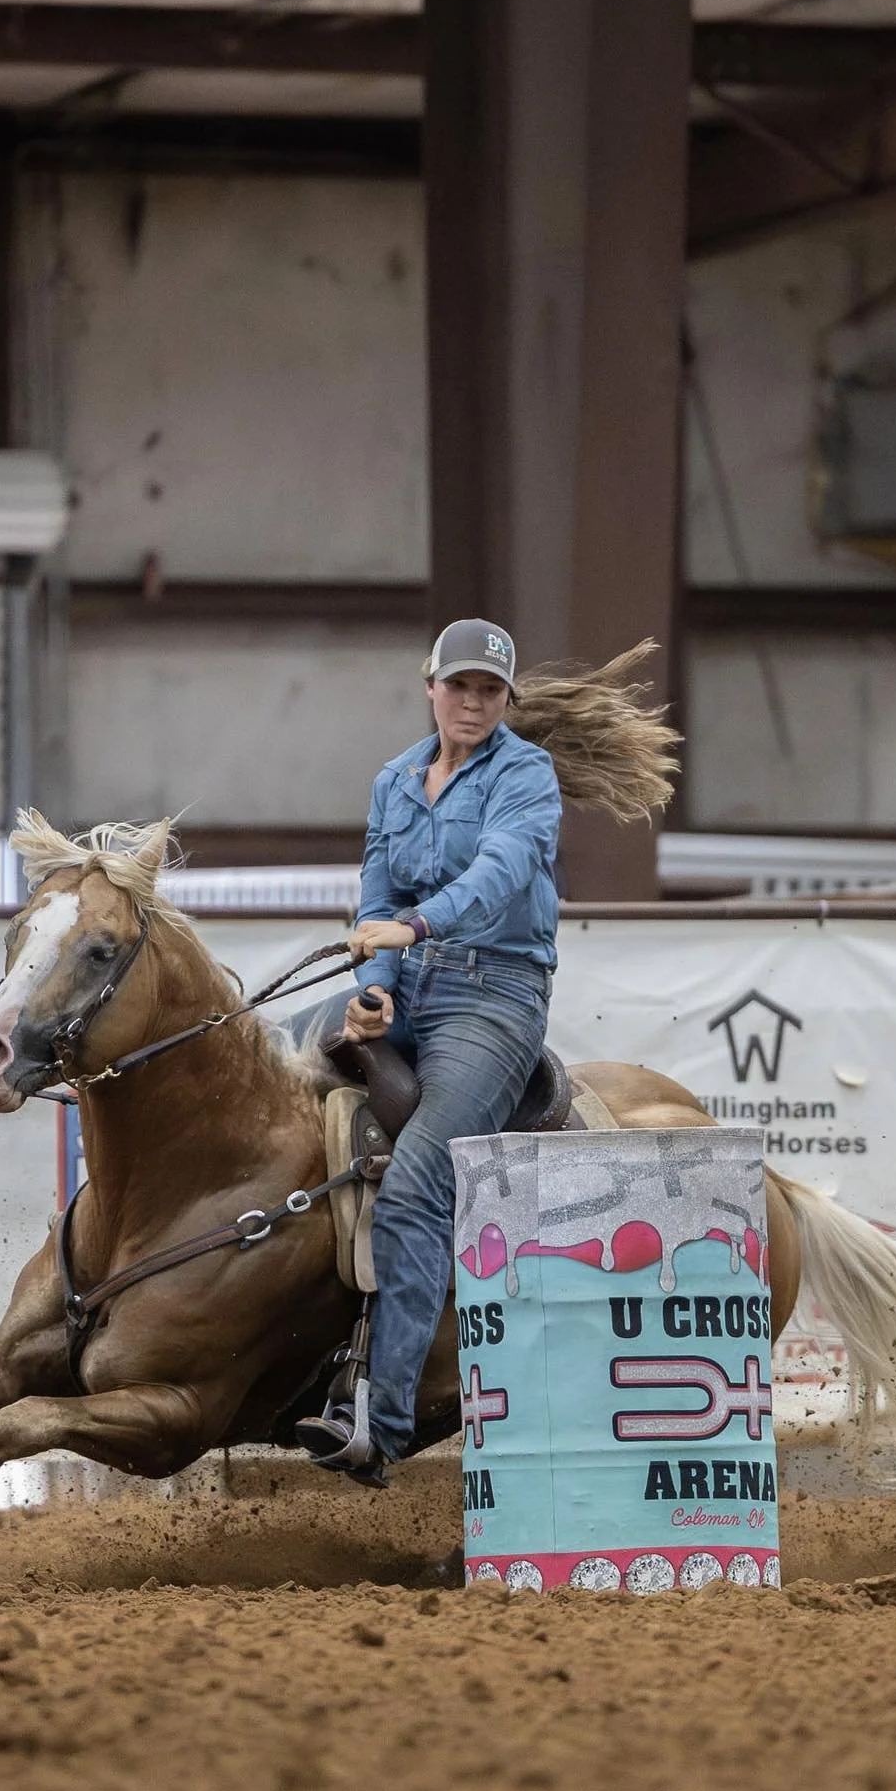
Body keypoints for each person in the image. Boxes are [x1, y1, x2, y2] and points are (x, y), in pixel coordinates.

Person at [296, 617, 561, 1484]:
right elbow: (376, 890)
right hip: (410, 985)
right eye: (461, 687)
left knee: (415, 1183)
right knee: (272, 1061)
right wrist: (374, 989)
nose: (475, 703)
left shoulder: (526, 775)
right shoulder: (394, 781)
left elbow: (501, 872)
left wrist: (411, 927)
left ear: (506, 701)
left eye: (491, 691)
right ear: (432, 687)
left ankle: (383, 1419)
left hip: (497, 996)